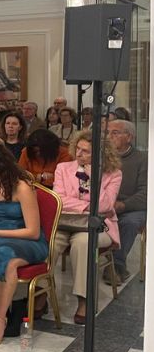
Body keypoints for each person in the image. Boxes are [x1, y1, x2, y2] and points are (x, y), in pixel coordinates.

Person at [0, 142, 47, 345]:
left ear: (1, 166)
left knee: (7, 260)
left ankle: (0, 318)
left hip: (23, 239)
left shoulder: (22, 187)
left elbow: (32, 231)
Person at [52, 131, 122, 324]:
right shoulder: (63, 168)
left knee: (84, 242)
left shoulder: (113, 174)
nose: (79, 154)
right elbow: (59, 199)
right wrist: (86, 207)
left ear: (100, 154)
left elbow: (106, 206)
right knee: (50, 241)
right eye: (78, 149)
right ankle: (41, 292)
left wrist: (93, 180)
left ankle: (84, 300)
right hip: (66, 222)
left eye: (86, 151)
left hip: (100, 226)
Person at [108, 119, 147, 282]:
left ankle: (117, 266)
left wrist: (122, 205)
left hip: (132, 207)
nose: (109, 137)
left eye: (115, 133)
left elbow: (145, 193)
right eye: (108, 132)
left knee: (128, 223)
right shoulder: (101, 157)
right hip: (106, 205)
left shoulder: (143, 159)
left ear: (129, 138)